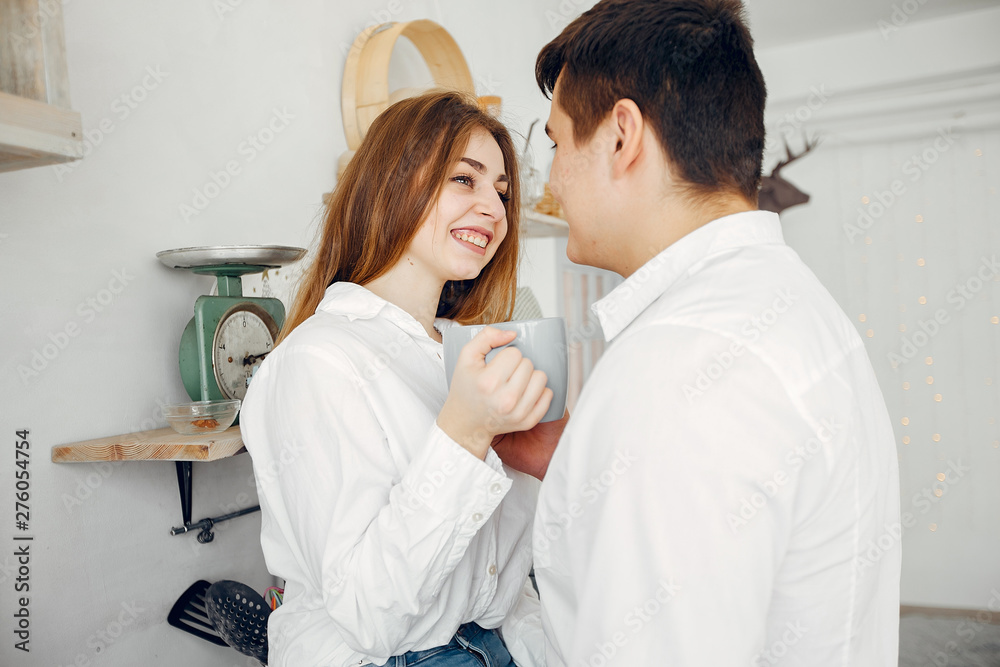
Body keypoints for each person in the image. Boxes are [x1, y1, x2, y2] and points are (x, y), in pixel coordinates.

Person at [516, 0, 902, 664]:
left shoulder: (681, 366)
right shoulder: (786, 304)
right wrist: (586, 465)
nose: (551, 180)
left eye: (556, 143)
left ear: (621, 136)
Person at [240, 90, 552, 667]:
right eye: (465, 179)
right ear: (392, 186)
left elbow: (499, 578)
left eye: (502, 192)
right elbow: (368, 614)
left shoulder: (462, 354)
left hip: (500, 643)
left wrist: (552, 463)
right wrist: (464, 436)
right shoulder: (318, 360)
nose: (494, 208)